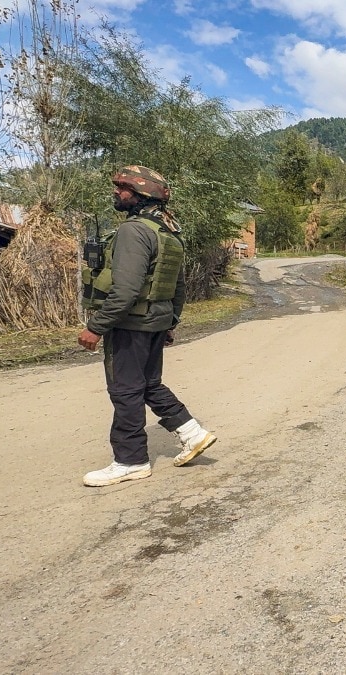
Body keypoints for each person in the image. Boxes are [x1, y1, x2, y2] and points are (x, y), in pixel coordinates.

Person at [78, 165, 217, 487]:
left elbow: (125, 290)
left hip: (130, 324)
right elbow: (177, 287)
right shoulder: (168, 232)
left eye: (123, 188)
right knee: (149, 384)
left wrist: (96, 326)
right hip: (154, 321)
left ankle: (130, 460)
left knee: (125, 390)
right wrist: (170, 322)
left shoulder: (134, 230)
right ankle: (192, 434)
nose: (116, 192)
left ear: (142, 193)